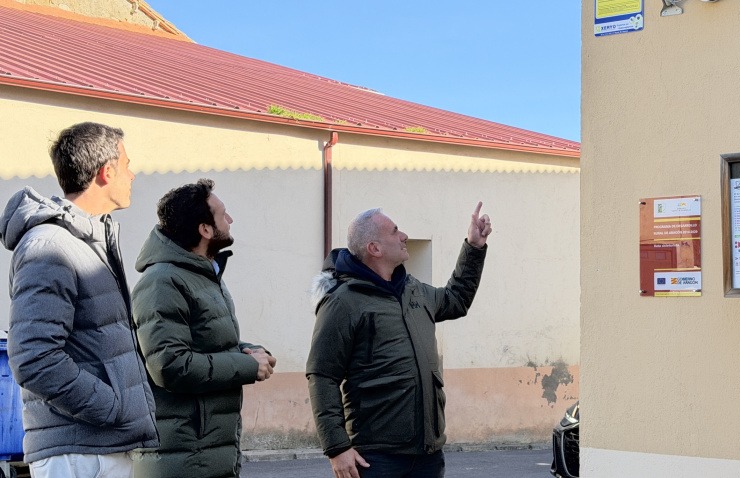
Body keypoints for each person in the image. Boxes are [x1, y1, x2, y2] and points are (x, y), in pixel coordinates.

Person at [0, 122, 158, 477]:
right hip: (78, 454)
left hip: (98, 448)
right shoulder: (50, 246)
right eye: (128, 165)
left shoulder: (88, 242)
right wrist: (111, 408)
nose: (133, 175)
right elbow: (34, 357)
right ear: (107, 171)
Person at [307, 203, 492, 478]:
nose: (404, 235)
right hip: (376, 459)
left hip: (428, 455)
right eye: (395, 231)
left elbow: (456, 300)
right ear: (375, 248)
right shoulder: (342, 302)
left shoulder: (413, 290)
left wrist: (474, 247)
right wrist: (336, 447)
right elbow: (322, 375)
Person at [131, 178, 276, 478]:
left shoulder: (204, 277)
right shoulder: (162, 281)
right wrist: (246, 366)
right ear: (205, 229)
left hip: (208, 455)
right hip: (182, 459)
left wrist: (249, 352)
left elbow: (207, 346)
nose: (231, 220)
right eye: (223, 214)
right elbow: (170, 365)